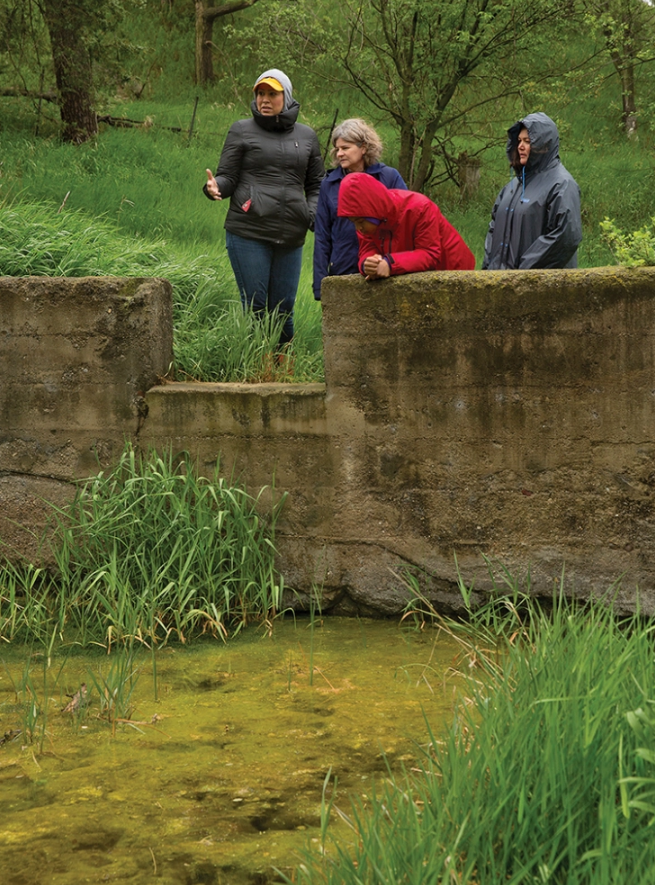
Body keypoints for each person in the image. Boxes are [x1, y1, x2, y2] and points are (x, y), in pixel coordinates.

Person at [204, 68, 325, 345]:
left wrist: (311, 213)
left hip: (291, 234)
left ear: (287, 96)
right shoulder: (241, 130)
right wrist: (215, 188)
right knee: (257, 309)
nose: (265, 100)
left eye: (272, 93)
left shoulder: (307, 136)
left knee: (283, 312)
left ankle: (282, 373)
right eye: (260, 94)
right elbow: (228, 177)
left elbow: (316, 184)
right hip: (249, 231)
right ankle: (255, 371)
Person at [312, 118, 406, 300]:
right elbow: (322, 237)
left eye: (345, 148)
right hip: (343, 270)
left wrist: (395, 264)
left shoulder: (389, 178)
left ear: (363, 147)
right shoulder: (329, 184)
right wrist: (319, 284)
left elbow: (404, 224)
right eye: (337, 149)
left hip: (383, 269)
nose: (339, 154)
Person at [482, 112, 582, 270]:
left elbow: (565, 237)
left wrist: (523, 273)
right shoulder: (512, 187)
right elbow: (493, 230)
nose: (520, 146)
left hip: (539, 289)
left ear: (544, 146)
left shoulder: (562, 185)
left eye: (527, 141)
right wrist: (489, 272)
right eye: (519, 141)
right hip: (502, 285)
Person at [336, 173, 475, 279]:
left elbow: (430, 253)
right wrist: (368, 264)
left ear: (373, 212)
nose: (357, 228)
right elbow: (368, 249)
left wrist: (391, 263)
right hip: (419, 276)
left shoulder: (420, 208)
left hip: (454, 271)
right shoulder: (366, 223)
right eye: (353, 222)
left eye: (360, 222)